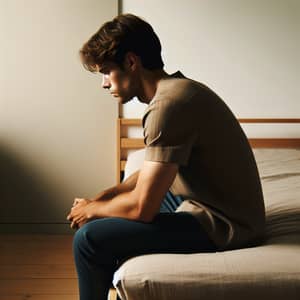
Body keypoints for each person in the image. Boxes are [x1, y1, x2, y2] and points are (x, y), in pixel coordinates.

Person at [67, 13, 265, 300]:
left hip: (227, 223)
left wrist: (92, 211)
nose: (104, 84)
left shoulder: (168, 106)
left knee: (88, 239)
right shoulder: (176, 89)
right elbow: (150, 171)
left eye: (106, 72)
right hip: (207, 201)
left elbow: (141, 209)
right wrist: (103, 198)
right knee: (108, 213)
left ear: (131, 62)